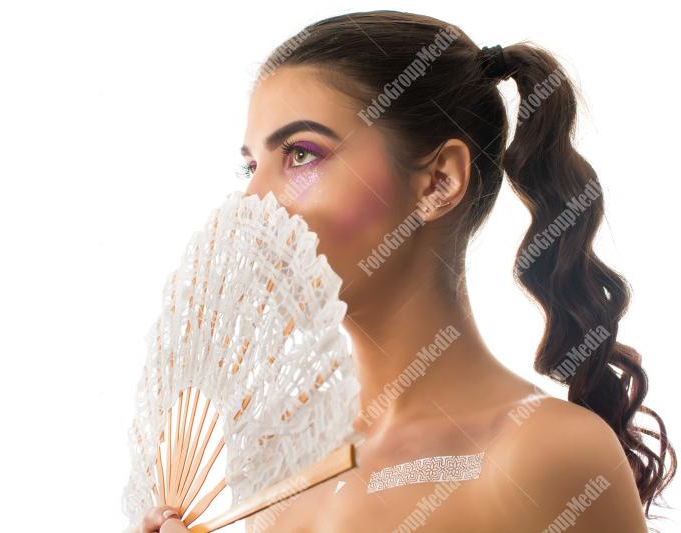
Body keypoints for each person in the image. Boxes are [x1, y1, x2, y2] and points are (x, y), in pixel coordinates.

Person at [138, 9, 675, 532]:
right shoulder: (286, 461)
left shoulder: (544, 455)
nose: (251, 203)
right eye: (249, 167)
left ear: (439, 181)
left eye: (301, 155)